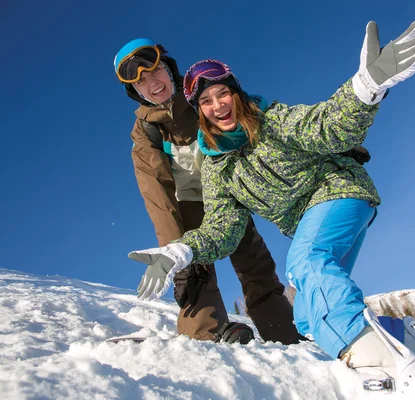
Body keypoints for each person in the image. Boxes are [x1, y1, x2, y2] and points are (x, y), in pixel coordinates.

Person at [128, 22, 415, 398]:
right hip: (311, 221)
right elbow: (222, 226)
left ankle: (381, 366)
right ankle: (410, 342)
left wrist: (367, 87)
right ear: (200, 112)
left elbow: (325, 125)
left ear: (235, 94)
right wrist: (181, 250)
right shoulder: (217, 166)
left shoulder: (269, 120)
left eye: (223, 94)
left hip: (339, 193)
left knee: (306, 260)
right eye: (206, 102)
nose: (218, 105)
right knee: (306, 312)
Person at [114, 38, 304, 345]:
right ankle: (207, 335)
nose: (153, 84)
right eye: (141, 83)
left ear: (169, 69)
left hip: (228, 193)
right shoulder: (145, 134)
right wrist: (172, 255)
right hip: (186, 203)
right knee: (192, 268)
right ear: (135, 92)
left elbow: (255, 116)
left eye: (155, 72)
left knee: (255, 263)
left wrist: (321, 150)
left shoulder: (198, 96)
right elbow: (158, 198)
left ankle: (282, 331)